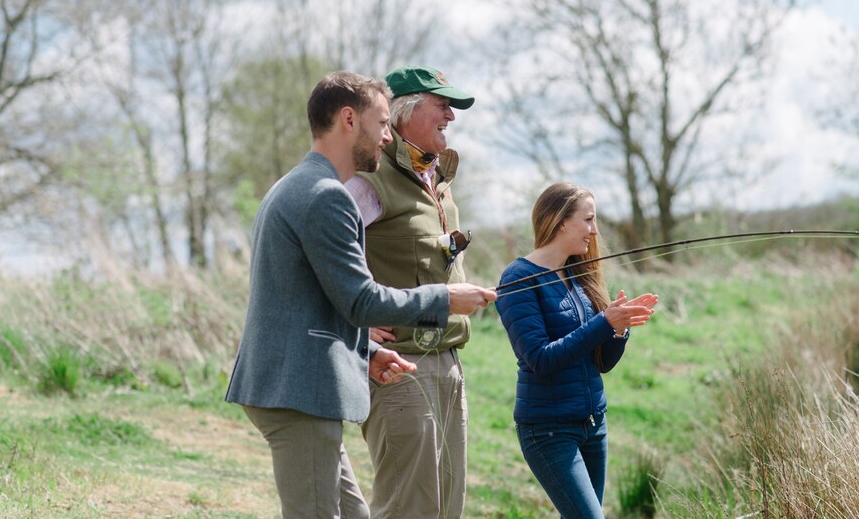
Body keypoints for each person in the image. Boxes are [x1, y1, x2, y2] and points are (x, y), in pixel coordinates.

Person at [224, 70, 497, 519]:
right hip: (300, 389)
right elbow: (361, 301)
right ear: (350, 120)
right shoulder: (326, 196)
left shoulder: (296, 185)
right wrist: (445, 299)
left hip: (299, 385)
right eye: (383, 123)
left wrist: (366, 350)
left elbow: (315, 298)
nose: (387, 138)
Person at [344, 65, 475, 518]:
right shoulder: (369, 183)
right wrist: (353, 330)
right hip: (397, 371)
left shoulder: (439, 183)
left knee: (444, 508)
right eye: (442, 105)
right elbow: (312, 255)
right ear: (403, 114)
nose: (451, 116)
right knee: (408, 509)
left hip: (449, 366)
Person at [495, 183, 659, 519]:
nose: (594, 230)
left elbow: (602, 363)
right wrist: (602, 323)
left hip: (594, 425)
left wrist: (619, 328)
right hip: (548, 431)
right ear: (560, 221)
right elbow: (540, 359)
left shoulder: (579, 275)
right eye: (588, 219)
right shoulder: (518, 279)